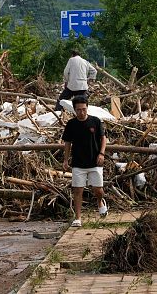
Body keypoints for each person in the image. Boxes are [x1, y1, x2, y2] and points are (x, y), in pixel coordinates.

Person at [62, 95, 107, 227]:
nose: (81, 112)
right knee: (78, 190)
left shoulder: (96, 121)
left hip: (95, 161)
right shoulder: (71, 124)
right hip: (78, 163)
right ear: (74, 110)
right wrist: (65, 160)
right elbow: (67, 143)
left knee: (98, 189)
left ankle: (100, 202)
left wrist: (102, 153)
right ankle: (78, 218)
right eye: (78, 110)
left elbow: (103, 138)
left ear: (87, 108)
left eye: (84, 109)